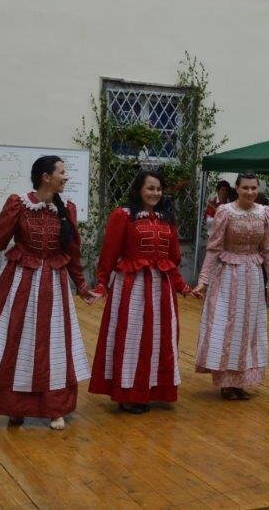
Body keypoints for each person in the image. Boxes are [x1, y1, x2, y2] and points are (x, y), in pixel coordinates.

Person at [0, 156, 93, 430]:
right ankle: (14, 407)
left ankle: (54, 408)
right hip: (20, 282)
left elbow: (72, 252)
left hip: (54, 285)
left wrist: (82, 286)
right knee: (17, 343)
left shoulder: (67, 209)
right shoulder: (18, 204)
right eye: (61, 172)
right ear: (46, 177)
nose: (66, 177)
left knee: (54, 345)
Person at [87, 170, 191, 414]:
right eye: (150, 188)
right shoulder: (123, 216)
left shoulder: (166, 219)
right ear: (139, 190)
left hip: (161, 289)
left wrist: (183, 287)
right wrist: (102, 284)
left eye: (159, 189)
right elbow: (109, 253)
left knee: (160, 339)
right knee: (132, 338)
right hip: (132, 287)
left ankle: (153, 390)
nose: (155, 193)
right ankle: (129, 394)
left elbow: (172, 258)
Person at [192, 173, 269, 400]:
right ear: (237, 189)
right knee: (227, 325)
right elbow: (214, 247)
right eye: (245, 188)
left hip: (253, 275)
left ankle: (241, 380)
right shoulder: (226, 211)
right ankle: (226, 382)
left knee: (248, 327)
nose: (250, 192)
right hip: (228, 274)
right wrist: (203, 280)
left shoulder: (265, 212)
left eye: (254, 188)